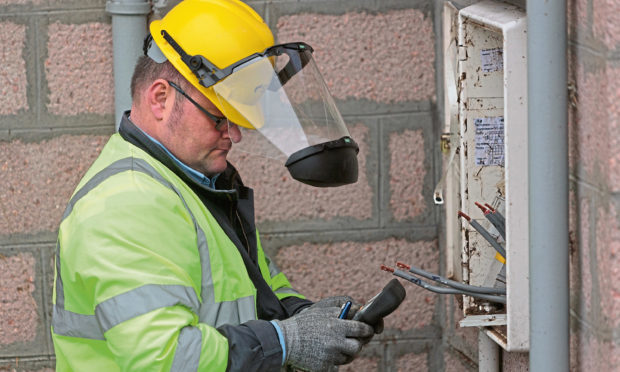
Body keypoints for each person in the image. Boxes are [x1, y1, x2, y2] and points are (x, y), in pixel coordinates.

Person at [51, 0, 381, 370]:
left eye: (241, 118)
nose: (234, 135)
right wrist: (286, 340)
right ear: (161, 99)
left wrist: (304, 315)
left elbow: (250, 286)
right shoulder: (126, 204)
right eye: (219, 118)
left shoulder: (192, 184)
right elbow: (163, 358)